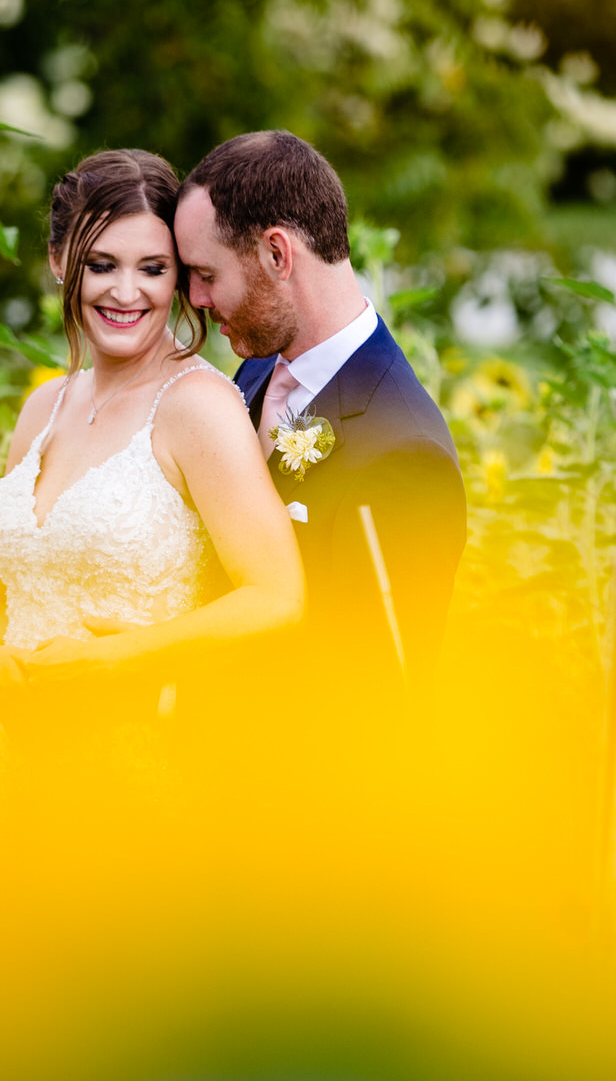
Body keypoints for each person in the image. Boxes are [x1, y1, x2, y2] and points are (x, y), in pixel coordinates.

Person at [0, 147, 303, 800]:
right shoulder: (41, 407)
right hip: (16, 768)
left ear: (179, 278)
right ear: (61, 262)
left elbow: (278, 597)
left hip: (137, 770)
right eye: (101, 264)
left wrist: (115, 659)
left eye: (153, 268)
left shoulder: (198, 407)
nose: (126, 291)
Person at [175, 131, 466, 698]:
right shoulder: (256, 371)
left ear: (277, 254)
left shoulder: (404, 450)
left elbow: (382, 689)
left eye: (207, 275)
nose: (197, 300)